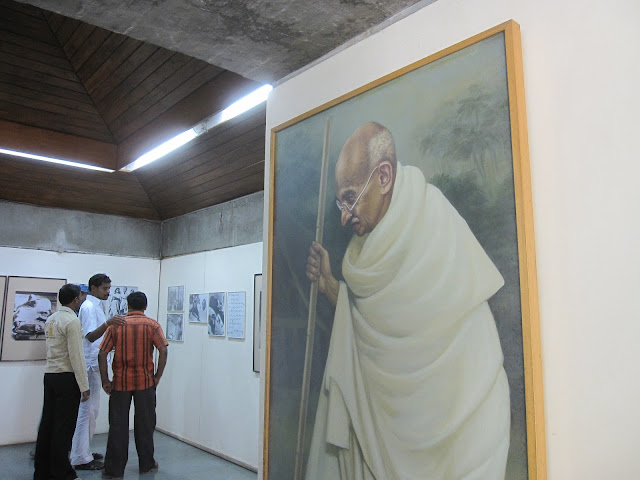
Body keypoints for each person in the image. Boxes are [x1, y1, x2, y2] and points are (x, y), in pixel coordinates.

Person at [305, 122, 510, 479]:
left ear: (384, 177)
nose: (343, 215)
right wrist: (332, 288)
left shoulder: (435, 223)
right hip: (382, 437)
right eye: (341, 202)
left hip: (453, 431)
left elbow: (434, 339)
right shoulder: (362, 251)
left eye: (350, 198)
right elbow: (375, 330)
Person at [98, 291, 168, 479]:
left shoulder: (116, 325)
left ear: (128, 305)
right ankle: (147, 464)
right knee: (145, 424)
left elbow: (102, 353)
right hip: (145, 383)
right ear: (145, 306)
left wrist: (105, 380)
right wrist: (157, 376)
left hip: (120, 383)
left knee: (118, 426)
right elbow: (163, 350)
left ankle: (114, 470)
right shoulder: (152, 325)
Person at [33, 284, 90, 480]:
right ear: (75, 299)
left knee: (48, 424)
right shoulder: (72, 321)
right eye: (80, 297)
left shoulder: (52, 318)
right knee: (63, 427)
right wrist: (84, 385)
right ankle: (62, 472)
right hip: (66, 377)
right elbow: (76, 356)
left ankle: (42, 470)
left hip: (50, 376)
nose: (81, 300)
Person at [70, 274, 126, 471]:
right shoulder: (88, 307)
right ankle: (80, 457)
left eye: (109, 288)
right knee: (87, 411)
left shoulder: (96, 306)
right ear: (93, 288)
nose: (108, 292)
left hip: (94, 363)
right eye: (104, 288)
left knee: (91, 411)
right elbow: (91, 336)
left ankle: (83, 450)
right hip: (90, 364)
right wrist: (108, 324)